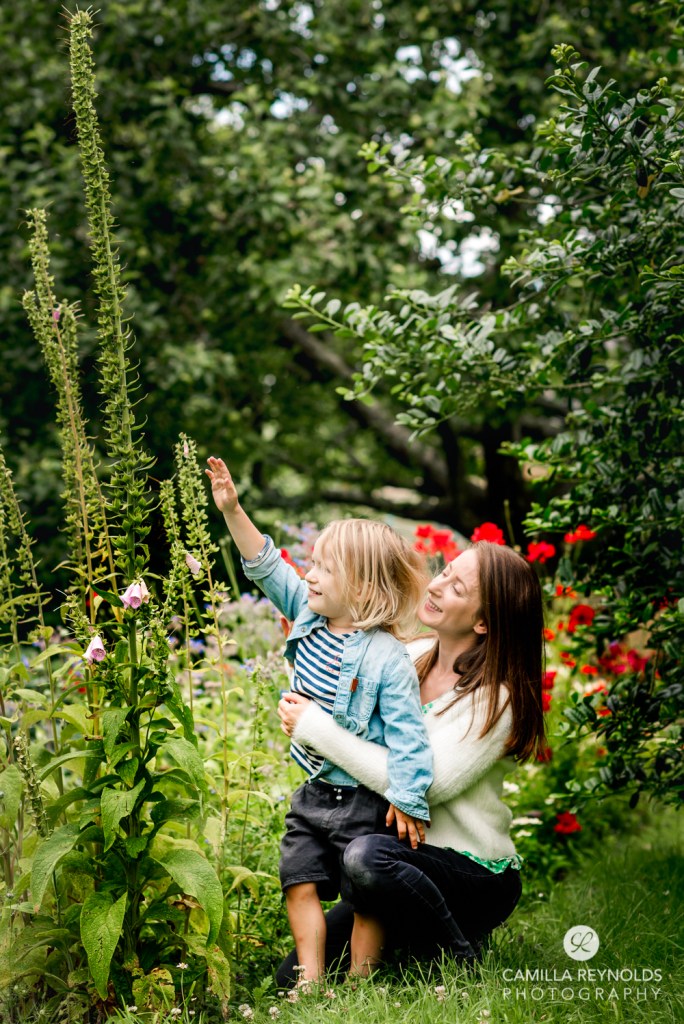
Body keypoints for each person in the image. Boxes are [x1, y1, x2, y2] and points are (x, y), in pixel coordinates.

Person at [206, 457, 433, 981]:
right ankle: (310, 978)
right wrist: (233, 510)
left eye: (326, 569)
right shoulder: (308, 613)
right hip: (314, 791)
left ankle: (359, 979)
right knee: (298, 879)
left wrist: (407, 799)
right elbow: (265, 564)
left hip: (363, 799)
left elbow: (409, 737)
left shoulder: (387, 659)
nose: (309, 575)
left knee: (365, 896)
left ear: (364, 588)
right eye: (313, 565)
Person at [277, 541, 545, 982]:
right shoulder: (410, 654)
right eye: (446, 572)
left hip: (470, 872)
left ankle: (460, 955)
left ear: (483, 622)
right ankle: (416, 943)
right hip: (401, 856)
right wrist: (304, 652)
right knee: (292, 976)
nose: (437, 586)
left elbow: (426, 786)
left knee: (365, 858)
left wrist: (313, 728)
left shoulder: (496, 700)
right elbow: (342, 706)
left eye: (457, 587)